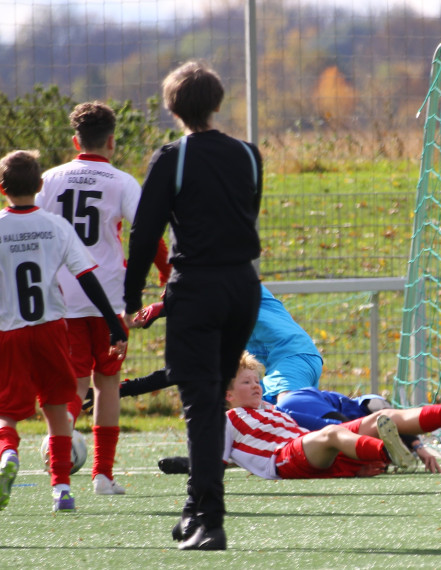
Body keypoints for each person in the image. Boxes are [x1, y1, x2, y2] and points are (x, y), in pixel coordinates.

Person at [122, 60, 263, 551]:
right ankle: (193, 507)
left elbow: (145, 234)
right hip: (242, 287)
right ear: (217, 103)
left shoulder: (172, 158)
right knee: (212, 400)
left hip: (198, 289)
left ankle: (210, 519)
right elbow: (246, 214)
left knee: (201, 404)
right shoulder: (248, 154)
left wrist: (130, 297)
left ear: (173, 107)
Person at [0, 150, 128, 514]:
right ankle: (61, 488)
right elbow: (86, 278)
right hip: (51, 330)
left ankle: (9, 453)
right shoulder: (56, 226)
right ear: (41, 184)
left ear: (1, 187)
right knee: (57, 407)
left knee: (3, 408)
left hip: (8, 333)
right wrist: (112, 323)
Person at [36, 101, 144, 495]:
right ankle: (102, 475)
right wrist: (161, 277)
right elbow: (146, 233)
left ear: (75, 141)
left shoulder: (48, 179)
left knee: (74, 382)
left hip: (62, 297)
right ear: (112, 141)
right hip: (110, 299)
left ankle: (60, 444)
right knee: (108, 382)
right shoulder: (122, 181)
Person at [220, 352, 441, 482]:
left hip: (309, 449)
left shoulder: (270, 409)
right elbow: (214, 462)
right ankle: (389, 451)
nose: (256, 386)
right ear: (227, 394)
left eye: (257, 381)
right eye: (246, 382)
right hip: (282, 459)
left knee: (380, 417)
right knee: (332, 432)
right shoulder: (227, 420)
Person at [132, 284, 322, 404]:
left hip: (293, 356)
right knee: (238, 406)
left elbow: (220, 287)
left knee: (289, 408)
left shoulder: (245, 287)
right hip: (292, 362)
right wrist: (129, 388)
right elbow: (182, 369)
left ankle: (338, 436)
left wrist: (164, 307)